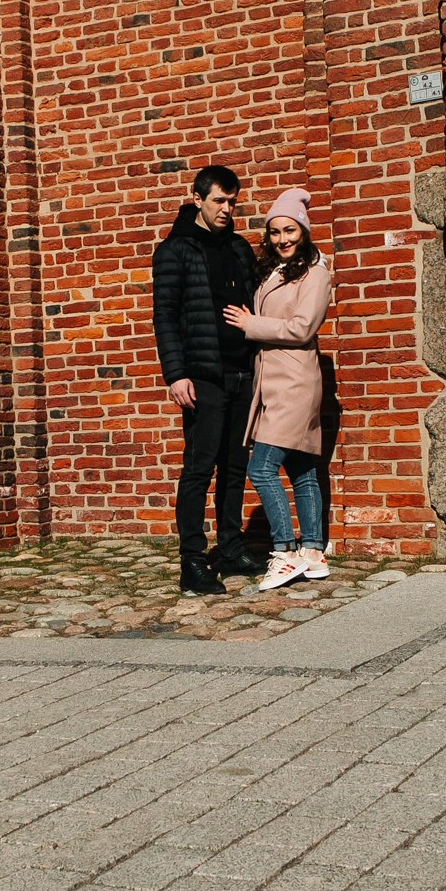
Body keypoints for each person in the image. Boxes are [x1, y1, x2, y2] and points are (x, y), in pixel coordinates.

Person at [152, 164, 262, 592]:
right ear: (197, 198)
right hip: (202, 375)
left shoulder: (238, 247)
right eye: (219, 200)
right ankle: (192, 561)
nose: (227, 209)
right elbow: (164, 316)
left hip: (242, 370)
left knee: (236, 467)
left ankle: (231, 550)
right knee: (199, 469)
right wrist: (176, 374)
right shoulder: (175, 249)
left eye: (232, 202)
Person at [224, 187, 333, 590]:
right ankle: (314, 551)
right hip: (275, 378)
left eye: (290, 230)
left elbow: (303, 327)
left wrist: (252, 325)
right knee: (301, 467)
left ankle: (285, 551)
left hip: (295, 381)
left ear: (303, 231)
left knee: (261, 466)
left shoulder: (316, 273)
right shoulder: (274, 271)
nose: (283, 239)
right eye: (275, 232)